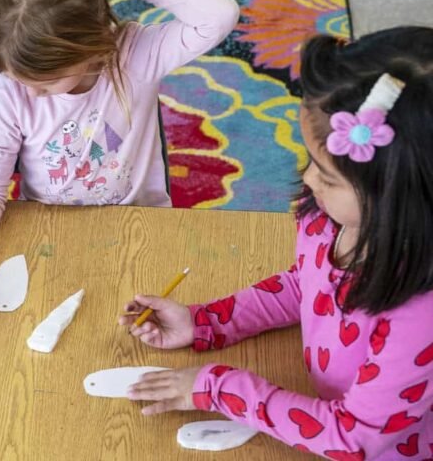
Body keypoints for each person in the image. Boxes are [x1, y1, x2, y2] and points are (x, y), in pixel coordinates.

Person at [120, 29, 433, 458]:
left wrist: (218, 387)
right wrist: (206, 322)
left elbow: (353, 439)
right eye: (311, 162)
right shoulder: (331, 218)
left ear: (400, 198)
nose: (307, 181)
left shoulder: (421, 314)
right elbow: (309, 286)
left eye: (327, 176)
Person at [0, 0, 240, 310]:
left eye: (44, 83)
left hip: (141, 229)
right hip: (48, 233)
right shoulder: (13, 91)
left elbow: (220, 15)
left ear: (88, 47)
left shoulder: (135, 56)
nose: (29, 90)